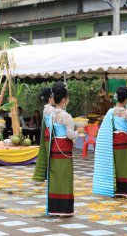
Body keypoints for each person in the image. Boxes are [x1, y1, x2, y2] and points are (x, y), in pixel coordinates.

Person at [46, 81, 82, 217]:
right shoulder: (66, 116)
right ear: (64, 99)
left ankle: (54, 208)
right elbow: (70, 134)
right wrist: (78, 132)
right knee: (65, 177)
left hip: (54, 147)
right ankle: (64, 209)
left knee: (56, 177)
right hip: (64, 149)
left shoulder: (51, 114)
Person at [93, 86, 127, 199]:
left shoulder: (110, 112)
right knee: (125, 165)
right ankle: (125, 192)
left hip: (113, 140)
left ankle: (114, 189)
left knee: (114, 164)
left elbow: (105, 128)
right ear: (126, 99)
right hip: (125, 141)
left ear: (116, 98)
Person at [32, 87, 55, 183]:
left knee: (46, 156)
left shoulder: (46, 108)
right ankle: (51, 176)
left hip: (46, 136)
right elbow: (51, 125)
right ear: (50, 98)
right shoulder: (51, 109)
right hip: (50, 136)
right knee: (51, 158)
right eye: (53, 97)